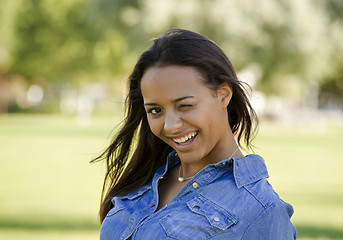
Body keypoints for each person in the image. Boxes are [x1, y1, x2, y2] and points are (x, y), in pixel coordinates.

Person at [96, 29, 297, 239]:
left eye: (185, 105)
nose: (170, 126)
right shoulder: (146, 179)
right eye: (156, 110)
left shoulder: (262, 211)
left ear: (223, 95)